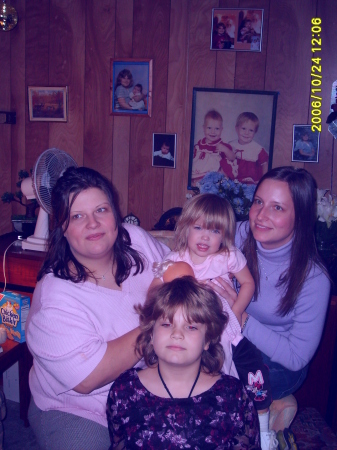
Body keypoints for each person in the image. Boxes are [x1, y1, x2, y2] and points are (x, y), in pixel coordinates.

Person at [25, 167, 168, 449]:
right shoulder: (55, 298)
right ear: (62, 228)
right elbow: (90, 377)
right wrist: (161, 316)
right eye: (77, 216)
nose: (93, 223)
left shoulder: (136, 239)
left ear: (115, 214)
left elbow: (176, 268)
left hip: (150, 386)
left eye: (101, 210)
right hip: (79, 408)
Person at [151, 193, 278, 450]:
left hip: (226, 330)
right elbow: (153, 293)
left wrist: (235, 309)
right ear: (185, 227)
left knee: (247, 372)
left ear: (225, 235)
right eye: (197, 228)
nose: (205, 237)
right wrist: (178, 283)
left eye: (214, 230)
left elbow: (248, 283)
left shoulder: (228, 256)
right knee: (198, 376)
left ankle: (259, 425)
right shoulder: (176, 260)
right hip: (190, 333)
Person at [107, 277, 260, 449]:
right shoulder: (124, 391)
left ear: (208, 339)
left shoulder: (233, 395)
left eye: (191, 327)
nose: (177, 334)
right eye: (166, 324)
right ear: (151, 333)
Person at [234, 166, 330, 429]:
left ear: (300, 217)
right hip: (232, 343)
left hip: (278, 364)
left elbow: (296, 357)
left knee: (218, 384)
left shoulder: (313, 278)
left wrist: (239, 316)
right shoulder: (237, 234)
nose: (261, 216)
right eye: (258, 202)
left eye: (277, 208)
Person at [192, 109, 237, 184]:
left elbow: (232, 157)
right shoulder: (199, 145)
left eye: (217, 129)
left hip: (213, 176)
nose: (213, 132)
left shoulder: (221, 145)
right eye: (209, 128)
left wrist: (225, 150)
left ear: (221, 130)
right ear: (203, 128)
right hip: (198, 174)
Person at [228, 111, 269, 184]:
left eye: (251, 130)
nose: (246, 133)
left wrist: (262, 180)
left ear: (255, 132)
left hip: (250, 182)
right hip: (233, 181)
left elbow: (265, 164)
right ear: (237, 129)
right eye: (243, 128)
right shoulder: (231, 145)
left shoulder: (257, 149)